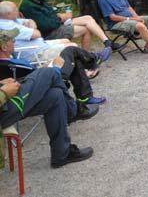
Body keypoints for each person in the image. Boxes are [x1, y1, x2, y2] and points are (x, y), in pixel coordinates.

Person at [0, 29, 97, 168]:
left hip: (7, 102)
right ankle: (74, 111)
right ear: (3, 46)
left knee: (55, 96)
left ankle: (61, 154)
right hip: (4, 106)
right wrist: (3, 92)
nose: (14, 42)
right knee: (49, 72)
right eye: (12, 40)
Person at [20, 0, 115, 53]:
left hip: (56, 24)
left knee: (88, 18)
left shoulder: (37, 0)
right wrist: (60, 18)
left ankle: (107, 42)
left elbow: (49, 13)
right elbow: (45, 25)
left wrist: (60, 15)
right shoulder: (28, 6)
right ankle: (85, 57)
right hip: (50, 33)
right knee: (87, 29)